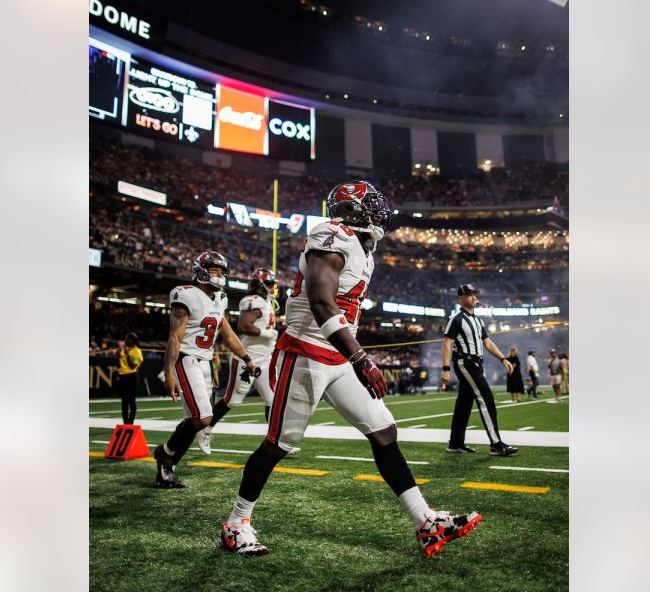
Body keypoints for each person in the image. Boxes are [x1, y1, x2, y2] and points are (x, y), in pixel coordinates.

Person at [220, 181, 482, 558]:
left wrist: (351, 357)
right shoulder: (331, 236)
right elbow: (322, 303)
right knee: (279, 444)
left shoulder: (362, 248)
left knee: (383, 430)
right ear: (351, 210)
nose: (379, 213)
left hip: (337, 356)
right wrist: (361, 357)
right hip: (306, 351)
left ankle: (425, 522)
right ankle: (236, 523)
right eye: (371, 206)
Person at [152, 251, 261, 489]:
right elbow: (175, 336)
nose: (220, 275)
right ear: (200, 271)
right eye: (215, 270)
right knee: (203, 418)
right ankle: (166, 453)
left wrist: (247, 358)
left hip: (203, 360)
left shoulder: (219, 298)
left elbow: (226, 334)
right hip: (186, 358)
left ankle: (166, 465)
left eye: (222, 271)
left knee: (195, 420)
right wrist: (169, 372)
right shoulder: (186, 295)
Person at [197, 269, 300, 455]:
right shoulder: (253, 301)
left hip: (265, 359)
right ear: (260, 285)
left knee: (273, 399)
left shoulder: (266, 302)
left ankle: (275, 440)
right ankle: (205, 429)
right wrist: (266, 333)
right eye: (269, 284)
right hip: (247, 358)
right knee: (232, 400)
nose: (272, 288)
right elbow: (244, 326)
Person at [440, 285, 519, 456]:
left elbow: (487, 342)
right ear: (460, 298)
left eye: (474, 294)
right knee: (486, 399)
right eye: (469, 295)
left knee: (464, 403)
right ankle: (496, 444)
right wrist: (445, 369)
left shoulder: (478, 320)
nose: (474, 297)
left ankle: (455, 443)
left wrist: (503, 358)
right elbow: (447, 343)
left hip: (476, 364)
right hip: (465, 362)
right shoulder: (456, 319)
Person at [117, 333, 143, 425]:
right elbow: (119, 362)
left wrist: (128, 355)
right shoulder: (124, 350)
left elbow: (133, 366)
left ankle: (130, 422)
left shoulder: (137, 351)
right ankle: (125, 423)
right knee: (124, 401)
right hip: (122, 376)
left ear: (133, 341)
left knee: (131, 400)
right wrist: (119, 352)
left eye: (128, 339)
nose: (125, 340)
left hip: (132, 376)